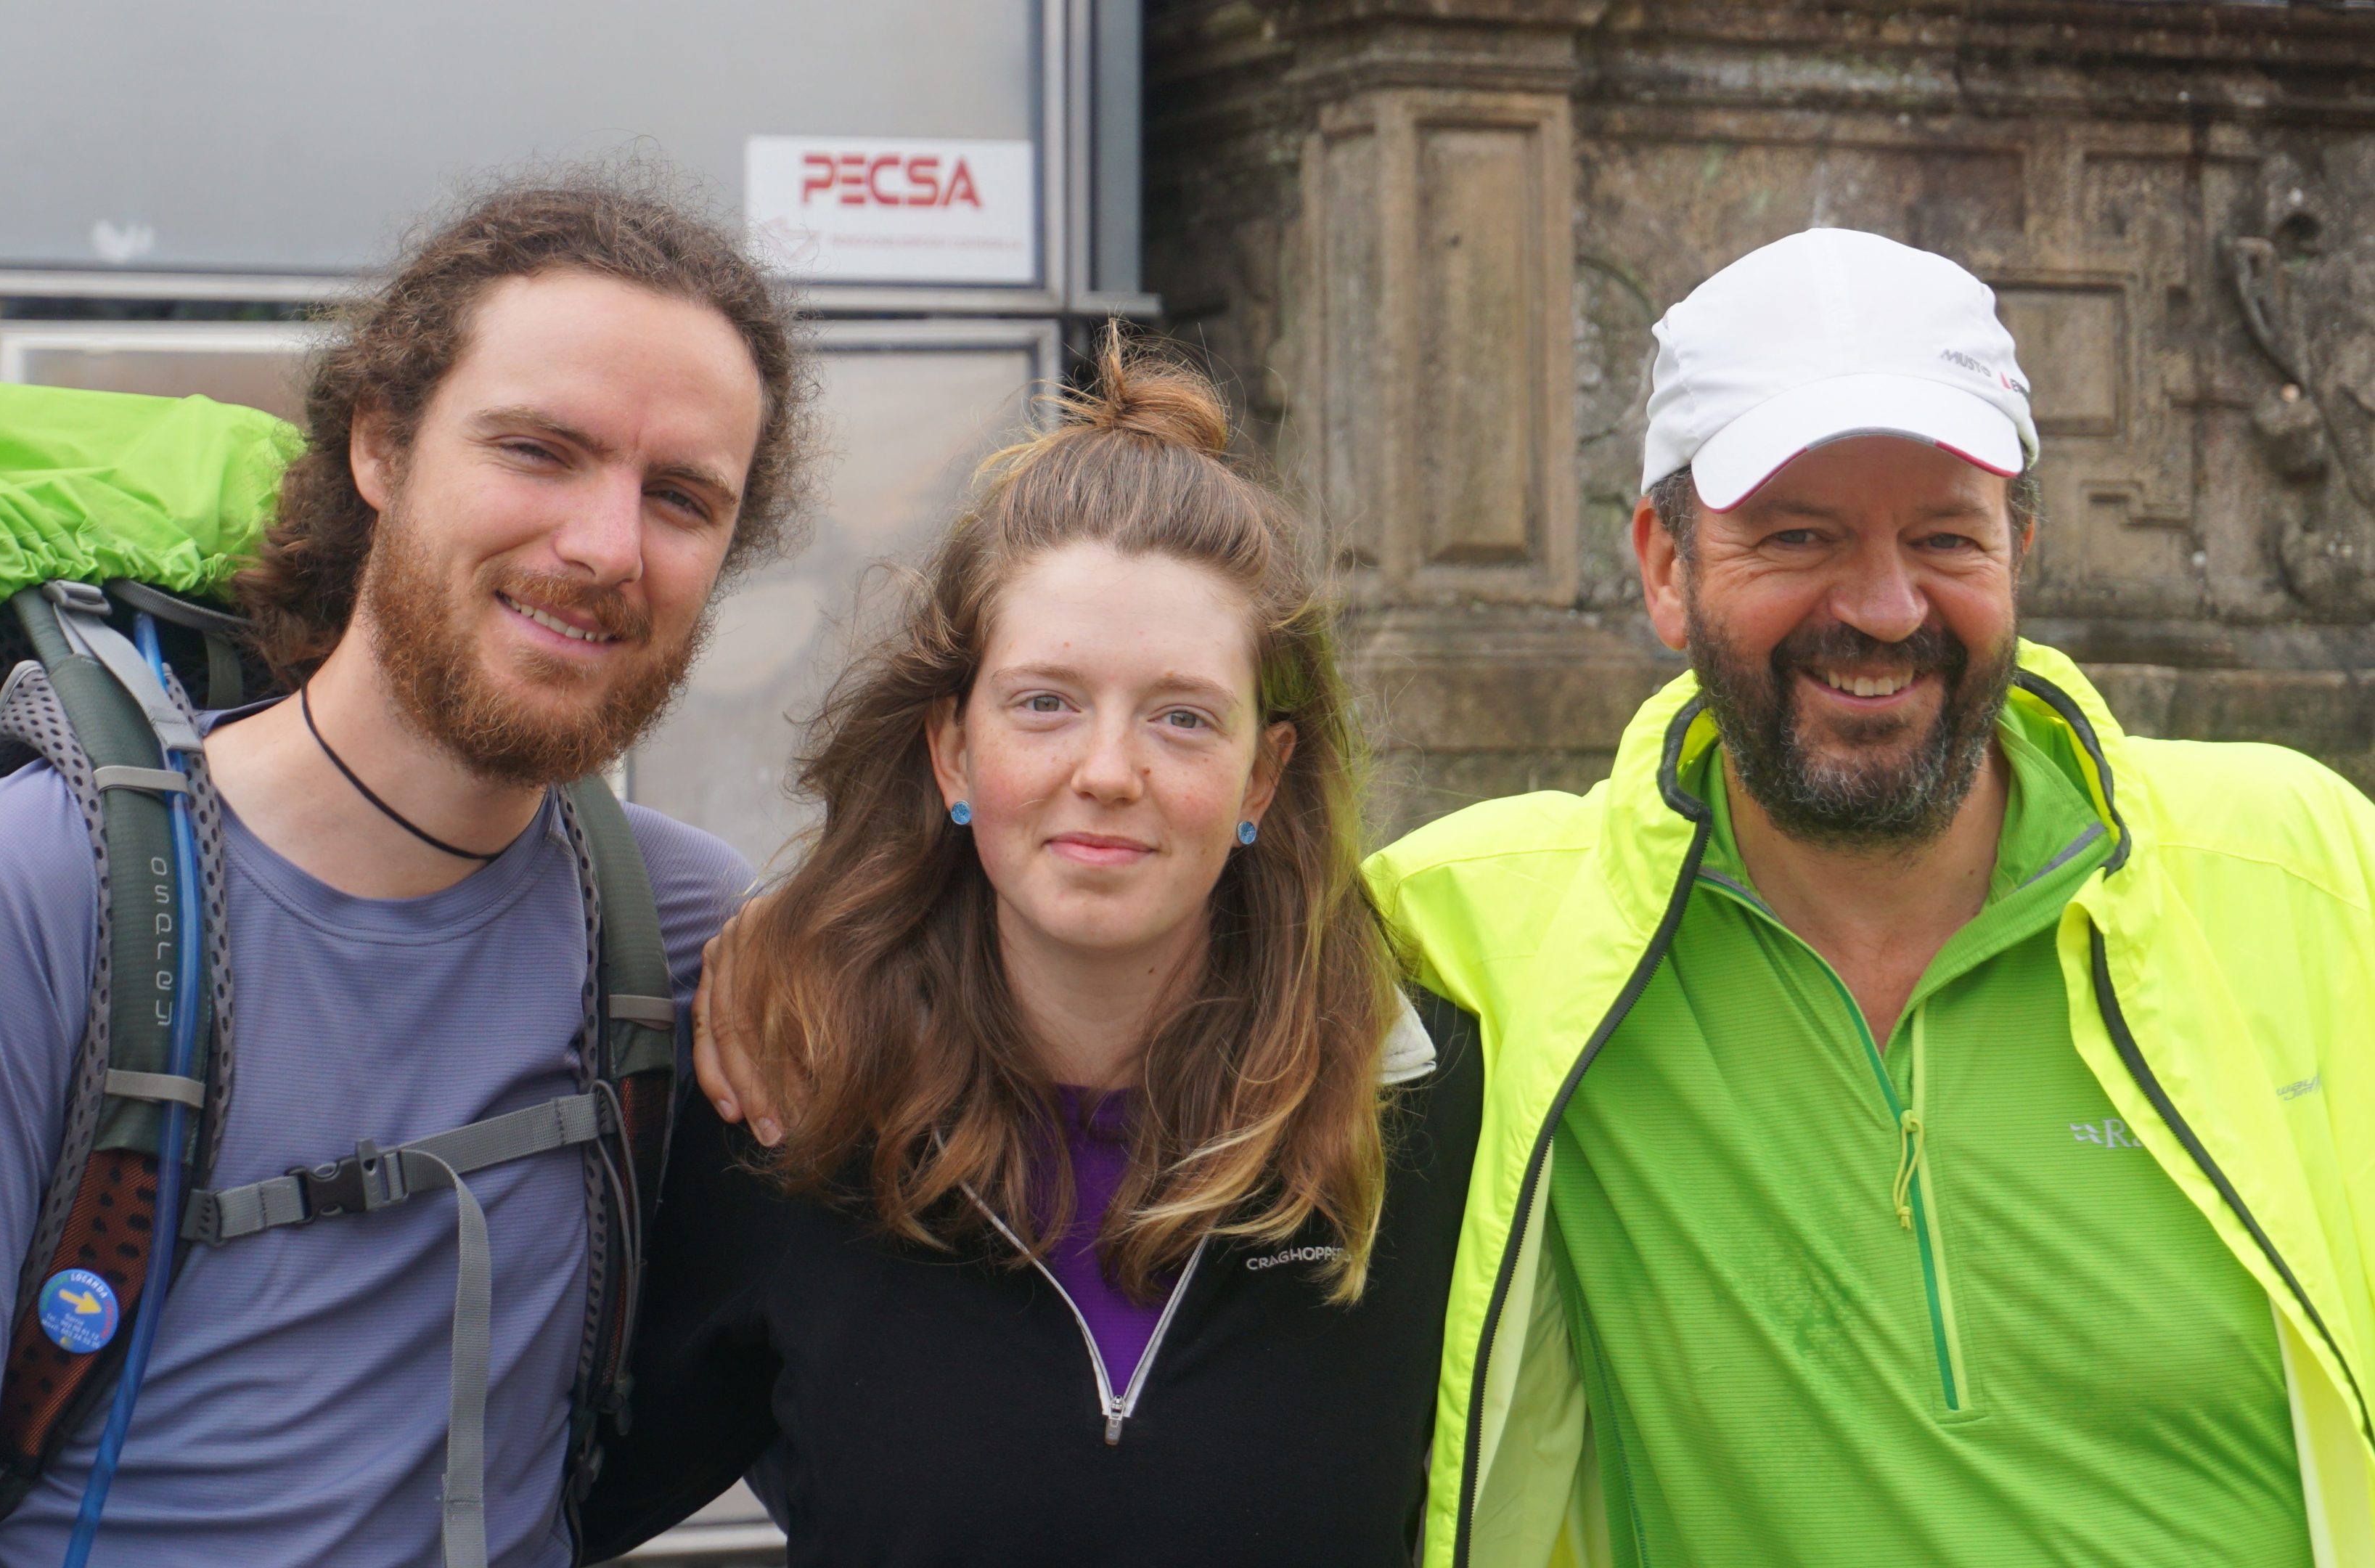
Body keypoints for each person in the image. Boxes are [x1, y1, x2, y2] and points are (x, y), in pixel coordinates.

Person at [1365, 228, 2375, 1564]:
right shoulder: (1469, 933)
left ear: (2020, 550)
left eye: (1945, 536)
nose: (1887, 605)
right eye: (1798, 536)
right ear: (1666, 567)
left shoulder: (2302, 867)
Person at [0, 173, 812, 1566]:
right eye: (540, 450)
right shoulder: (50, 893)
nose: (606, 548)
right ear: (379, 445)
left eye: (680, 498)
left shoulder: (679, 928)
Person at [579, 338, 1481, 1567]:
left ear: (1262, 774)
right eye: (1045, 702)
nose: (1107, 773)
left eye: (1180, 716)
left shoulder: (1435, 1112)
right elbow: (532, 1492)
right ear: (953, 754)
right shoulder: (794, 1116)